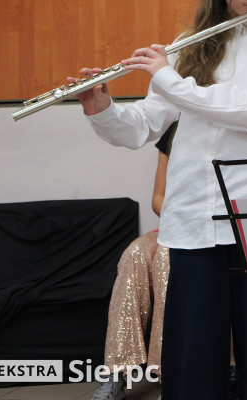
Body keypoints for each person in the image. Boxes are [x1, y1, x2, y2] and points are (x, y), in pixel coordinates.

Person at [75, 0, 247, 400]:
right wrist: (102, 109)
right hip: (195, 216)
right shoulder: (190, 44)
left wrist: (169, 79)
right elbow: (144, 126)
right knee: (191, 359)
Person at [90, 124, 175, 400]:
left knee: (166, 259)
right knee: (135, 253)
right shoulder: (174, 132)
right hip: (175, 225)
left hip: (205, 232)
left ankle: (172, 375)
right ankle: (116, 372)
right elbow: (159, 198)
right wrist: (175, 223)